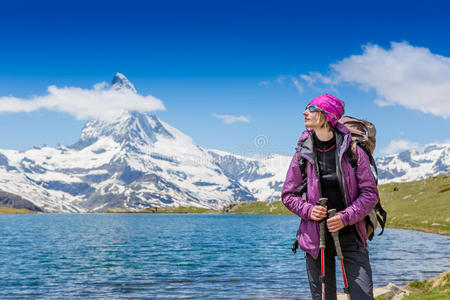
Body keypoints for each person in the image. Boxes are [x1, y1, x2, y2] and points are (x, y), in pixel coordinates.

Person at [281, 94, 379, 300]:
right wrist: (309, 210)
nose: (304, 112)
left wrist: (345, 217)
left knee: (363, 295)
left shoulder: (354, 150)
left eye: (311, 108)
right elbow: (288, 195)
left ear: (327, 115)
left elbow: (370, 194)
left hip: (351, 234)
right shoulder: (302, 152)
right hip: (316, 239)